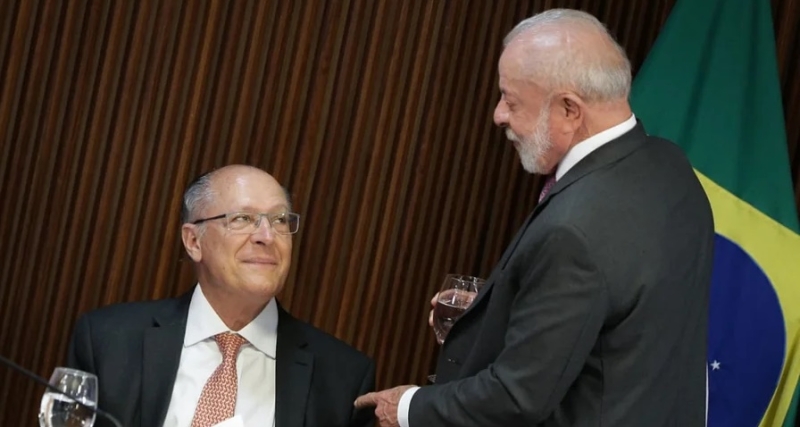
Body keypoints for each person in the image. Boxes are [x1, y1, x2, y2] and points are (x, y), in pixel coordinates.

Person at [355, 8, 714, 427]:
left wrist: (405, 407)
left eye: (511, 101)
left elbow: (518, 397)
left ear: (569, 110)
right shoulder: (669, 164)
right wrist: (507, 308)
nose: (498, 115)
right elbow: (619, 310)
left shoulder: (574, 230)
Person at [67, 164, 376, 427]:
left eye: (280, 220)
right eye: (242, 219)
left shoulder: (343, 378)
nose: (267, 236)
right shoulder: (108, 341)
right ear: (193, 241)